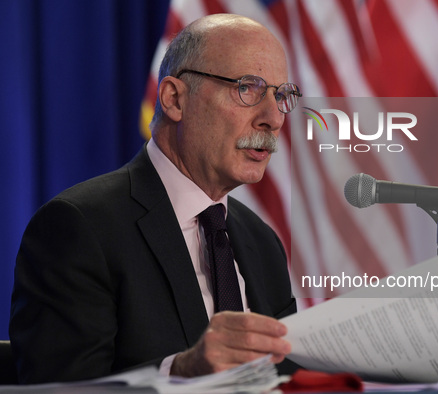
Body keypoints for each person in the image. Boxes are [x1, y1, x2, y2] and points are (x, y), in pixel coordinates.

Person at [10, 14, 301, 384]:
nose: (273, 118)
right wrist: (179, 373)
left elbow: (288, 378)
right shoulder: (79, 228)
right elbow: (58, 389)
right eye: (248, 88)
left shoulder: (262, 241)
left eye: (281, 96)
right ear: (174, 98)